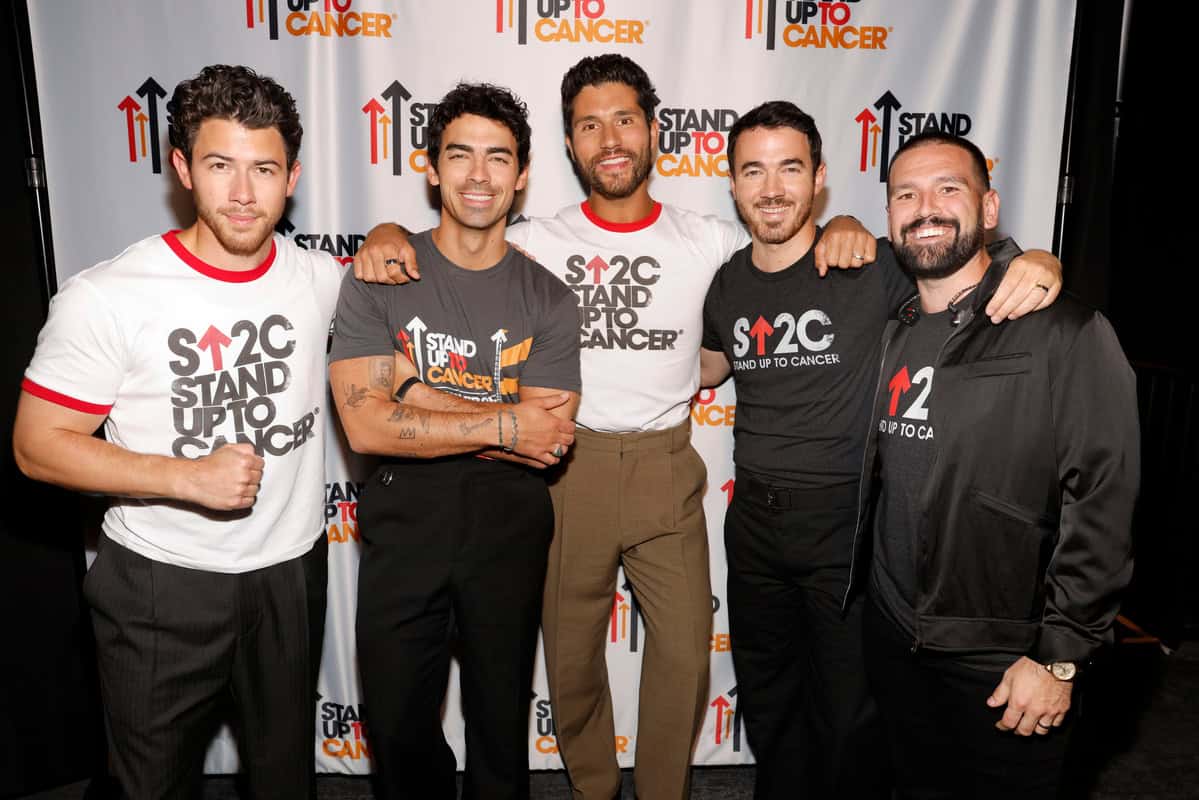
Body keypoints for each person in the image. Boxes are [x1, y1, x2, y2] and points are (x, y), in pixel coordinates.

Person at [353, 54, 891, 799]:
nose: (608, 137)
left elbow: (775, 266)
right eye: (587, 124)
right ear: (569, 145)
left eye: (624, 119)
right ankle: (595, 790)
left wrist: (848, 225)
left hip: (667, 467)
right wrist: (385, 230)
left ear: (652, 132)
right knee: (569, 658)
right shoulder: (534, 238)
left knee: (682, 654)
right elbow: (449, 242)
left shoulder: (705, 240)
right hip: (566, 468)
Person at [698, 102, 1063, 798]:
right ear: (733, 184)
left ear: (819, 178)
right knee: (768, 698)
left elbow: (967, 259)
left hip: (846, 525)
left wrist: (1037, 259)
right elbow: (706, 367)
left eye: (788, 168)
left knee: (848, 715)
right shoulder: (726, 283)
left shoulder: (873, 262)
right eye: (753, 170)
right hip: (752, 527)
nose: (770, 187)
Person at [13, 64, 334, 799]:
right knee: (149, 785)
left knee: (285, 780)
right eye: (221, 166)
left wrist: (382, 232)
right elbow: (36, 445)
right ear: (183, 167)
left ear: (293, 176)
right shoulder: (108, 296)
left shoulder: (320, 278)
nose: (244, 193)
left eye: (264, 169)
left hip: (289, 574)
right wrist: (184, 477)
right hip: (161, 583)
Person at [856, 130, 1138, 799]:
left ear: (988, 209)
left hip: (1004, 655)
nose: (924, 206)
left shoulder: (1063, 331)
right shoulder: (892, 327)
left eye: (947, 188)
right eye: (905, 193)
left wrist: (1060, 657)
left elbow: (1102, 498)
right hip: (895, 641)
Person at [328, 82, 581, 800]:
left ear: (522, 174)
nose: (479, 175)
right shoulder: (381, 271)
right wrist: (501, 420)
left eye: (498, 158)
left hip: (510, 518)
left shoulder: (549, 298)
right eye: (460, 155)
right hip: (404, 515)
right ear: (430, 167)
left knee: (500, 722)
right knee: (399, 720)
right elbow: (365, 425)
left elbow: (547, 441)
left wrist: (410, 390)